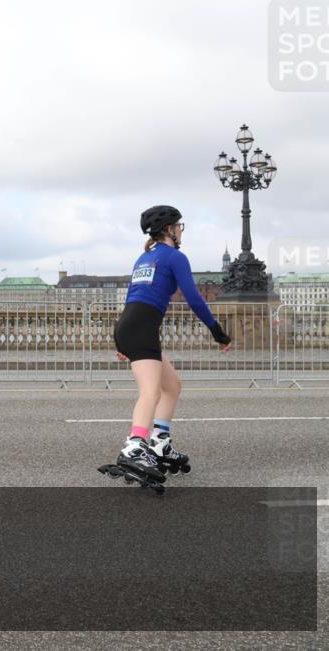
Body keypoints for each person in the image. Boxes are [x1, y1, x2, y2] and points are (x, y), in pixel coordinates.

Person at [111, 205, 232, 481]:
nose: (180, 230)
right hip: (141, 328)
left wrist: (121, 339)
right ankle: (134, 447)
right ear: (169, 230)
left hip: (130, 325)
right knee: (151, 392)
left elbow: (132, 296)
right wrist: (217, 331)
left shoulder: (145, 257)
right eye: (179, 226)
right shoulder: (175, 257)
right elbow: (194, 298)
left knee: (172, 386)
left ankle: (159, 442)